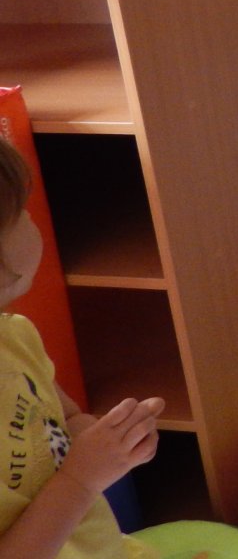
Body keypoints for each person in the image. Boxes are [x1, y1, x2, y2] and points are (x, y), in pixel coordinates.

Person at [0, 136, 165, 559]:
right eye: (21, 213)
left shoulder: (14, 337)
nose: (32, 220)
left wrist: (114, 441)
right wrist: (82, 477)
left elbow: (67, 421)